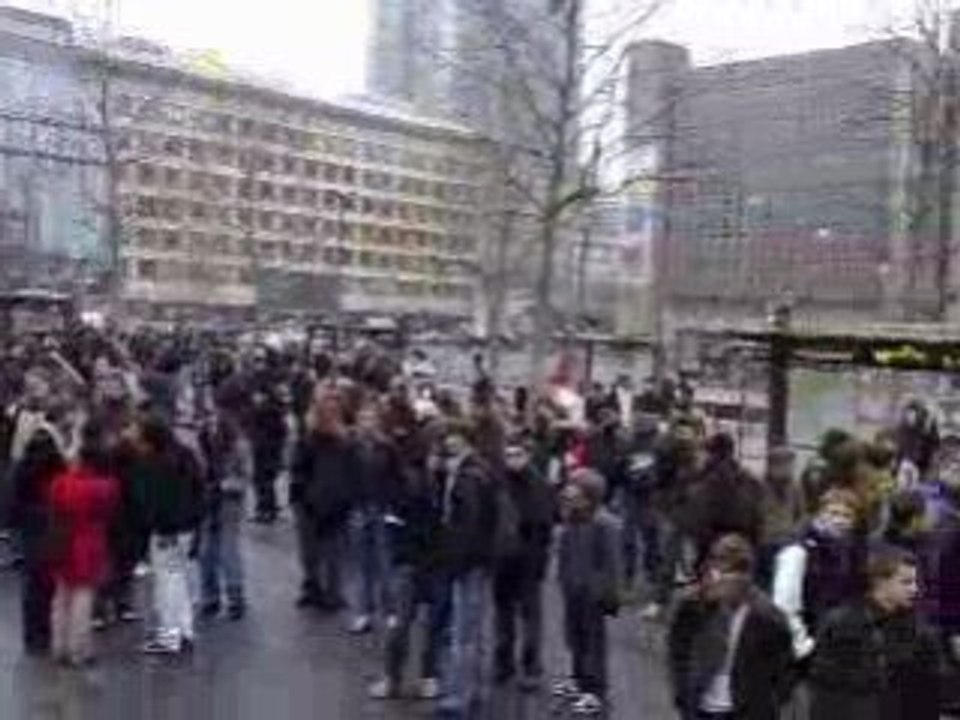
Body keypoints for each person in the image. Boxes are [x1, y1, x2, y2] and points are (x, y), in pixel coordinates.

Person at [668, 534, 794, 720]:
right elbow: (678, 650)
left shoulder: (767, 617)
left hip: (745, 710)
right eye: (717, 571)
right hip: (700, 706)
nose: (720, 581)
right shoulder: (693, 606)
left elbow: (783, 669)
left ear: (746, 578)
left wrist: (767, 702)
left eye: (729, 574)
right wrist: (683, 690)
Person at [809, 546, 940, 720]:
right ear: (880, 582)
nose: (914, 589)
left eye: (915, 582)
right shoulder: (842, 623)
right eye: (906, 582)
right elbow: (823, 684)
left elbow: (927, 690)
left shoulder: (919, 630)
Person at [435, 421, 498, 720]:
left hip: (468, 562)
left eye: (453, 436)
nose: (448, 441)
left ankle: (459, 698)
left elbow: (467, 525)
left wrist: (455, 561)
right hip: (480, 560)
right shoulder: (481, 470)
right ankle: (477, 691)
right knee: (475, 631)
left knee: (463, 633)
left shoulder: (467, 477)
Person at [47, 419, 119, 666]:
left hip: (61, 540)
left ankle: (59, 646)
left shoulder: (60, 483)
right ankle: (80, 649)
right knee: (83, 596)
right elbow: (110, 513)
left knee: (61, 596)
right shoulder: (104, 487)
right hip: (89, 542)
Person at [135, 414, 206, 655]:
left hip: (166, 530)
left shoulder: (153, 463)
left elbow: (154, 501)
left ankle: (169, 634)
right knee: (180, 578)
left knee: (167, 582)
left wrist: (155, 525)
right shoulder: (184, 455)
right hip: (187, 527)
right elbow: (198, 488)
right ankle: (184, 630)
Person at [555, 468, 623, 717]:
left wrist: (608, 594)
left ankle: (596, 691)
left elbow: (612, 565)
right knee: (575, 637)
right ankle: (578, 679)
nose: (568, 491)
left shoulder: (604, 524)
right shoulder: (571, 518)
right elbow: (564, 553)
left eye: (575, 487)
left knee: (594, 642)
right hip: (573, 589)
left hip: (592, 595)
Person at [8, 376, 67, 654]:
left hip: (32, 518)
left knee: (35, 580)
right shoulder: (50, 453)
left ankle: (35, 635)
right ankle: (42, 633)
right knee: (44, 579)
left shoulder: (23, 464)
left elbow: (15, 488)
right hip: (46, 517)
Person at [772, 488, 866, 662]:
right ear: (820, 514)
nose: (839, 520)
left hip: (828, 641)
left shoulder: (849, 551)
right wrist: (803, 645)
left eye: (847, 516)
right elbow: (785, 603)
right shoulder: (798, 549)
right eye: (833, 513)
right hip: (800, 644)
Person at [492, 435, 555, 690]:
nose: (512, 460)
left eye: (517, 454)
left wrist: (539, 560)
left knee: (528, 616)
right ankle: (504, 662)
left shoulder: (537, 485)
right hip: (504, 560)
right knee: (505, 614)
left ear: (527, 456)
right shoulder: (500, 483)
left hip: (527, 560)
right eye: (509, 455)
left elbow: (545, 526)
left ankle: (530, 665)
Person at [290, 390, 358, 611]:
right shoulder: (345, 442)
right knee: (332, 552)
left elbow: (298, 470)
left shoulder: (310, 440)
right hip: (334, 502)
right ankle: (330, 593)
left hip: (312, 502)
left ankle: (315, 589)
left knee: (313, 552)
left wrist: (299, 495)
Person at [197, 393, 253, 620]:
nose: (209, 420)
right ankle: (213, 596)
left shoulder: (237, 444)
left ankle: (232, 596)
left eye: (212, 415)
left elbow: (246, 475)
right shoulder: (202, 440)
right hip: (210, 498)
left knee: (226, 547)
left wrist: (225, 484)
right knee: (207, 550)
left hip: (228, 499)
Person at [347, 400, 395, 634]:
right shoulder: (350, 446)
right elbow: (343, 477)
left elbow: (396, 478)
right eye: (363, 419)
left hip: (381, 506)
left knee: (385, 562)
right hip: (358, 507)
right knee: (361, 564)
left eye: (371, 419)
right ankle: (362, 612)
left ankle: (390, 610)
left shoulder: (386, 446)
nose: (367, 424)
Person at [688, 433, 763, 560]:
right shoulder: (747, 477)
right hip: (742, 538)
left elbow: (698, 511)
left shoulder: (707, 478)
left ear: (714, 453)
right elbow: (757, 509)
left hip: (713, 538)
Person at [757, 447, 806, 589]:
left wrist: (796, 531)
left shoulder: (795, 486)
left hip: (788, 542)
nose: (788, 469)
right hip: (765, 543)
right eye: (785, 465)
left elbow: (802, 514)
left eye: (790, 465)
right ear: (772, 465)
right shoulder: (759, 486)